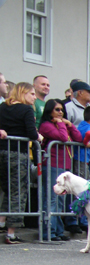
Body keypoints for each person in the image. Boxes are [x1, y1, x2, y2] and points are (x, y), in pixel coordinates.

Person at [0, 83, 42, 243]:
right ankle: (11, 233)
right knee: (19, 191)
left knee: (7, 189)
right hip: (18, 153)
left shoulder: (2, 107)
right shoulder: (26, 110)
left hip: (2, 151)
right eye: (32, 94)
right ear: (23, 93)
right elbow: (31, 133)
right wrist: (39, 137)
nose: (34, 97)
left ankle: (2, 221)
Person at [38, 99, 82, 241]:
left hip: (64, 166)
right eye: (57, 109)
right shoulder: (46, 125)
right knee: (51, 199)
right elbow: (63, 138)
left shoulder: (61, 124)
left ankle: (58, 231)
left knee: (60, 200)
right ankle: (48, 233)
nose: (60, 112)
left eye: (62, 109)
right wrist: (62, 124)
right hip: (52, 164)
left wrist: (70, 125)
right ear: (49, 111)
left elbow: (78, 138)